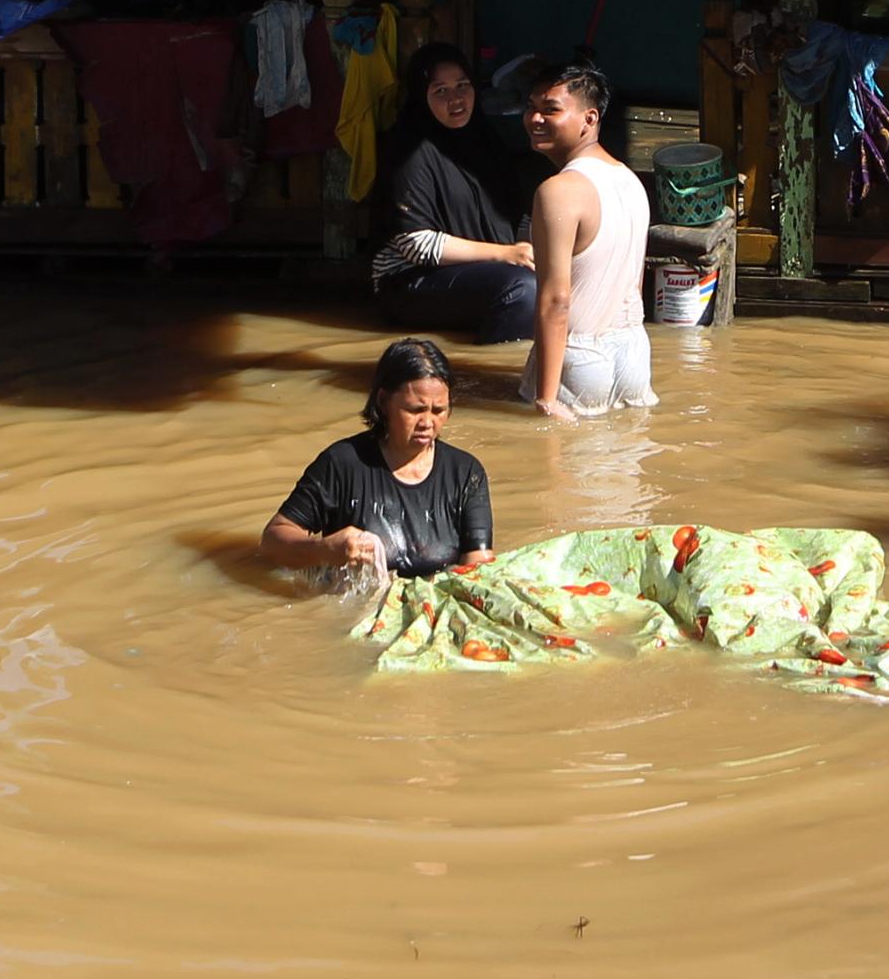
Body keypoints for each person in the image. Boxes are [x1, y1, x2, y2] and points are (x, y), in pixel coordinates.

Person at [263, 337, 496, 579]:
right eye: (415, 410)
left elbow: (478, 568)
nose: (427, 423)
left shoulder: (466, 473)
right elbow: (273, 541)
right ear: (384, 401)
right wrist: (325, 550)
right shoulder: (342, 464)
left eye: (439, 411)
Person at [373, 43, 547, 343]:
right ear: (420, 96)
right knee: (522, 290)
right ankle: (490, 375)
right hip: (410, 280)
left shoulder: (486, 142)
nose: (455, 99)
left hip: (488, 271)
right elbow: (416, 244)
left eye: (463, 86)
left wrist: (526, 249)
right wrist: (506, 254)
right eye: (440, 90)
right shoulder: (410, 150)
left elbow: (517, 217)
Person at [519, 59, 654, 420]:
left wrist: (546, 400)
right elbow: (633, 285)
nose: (535, 119)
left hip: (578, 357)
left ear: (589, 119)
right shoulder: (630, 182)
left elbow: (556, 300)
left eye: (551, 110)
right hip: (634, 353)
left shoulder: (558, 191)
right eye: (531, 108)